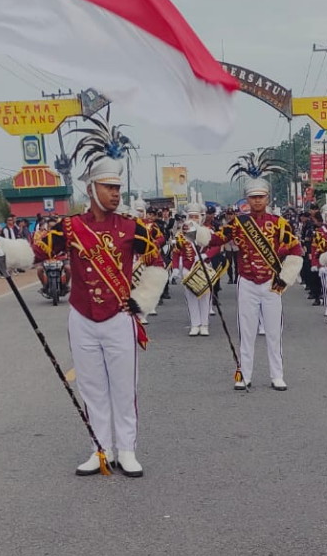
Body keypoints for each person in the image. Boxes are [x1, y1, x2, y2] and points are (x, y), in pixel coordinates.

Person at [33, 147, 166, 476]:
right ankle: (100, 449)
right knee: (92, 387)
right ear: (91, 189)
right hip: (82, 316)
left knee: (123, 387)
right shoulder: (70, 227)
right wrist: (4, 253)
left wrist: (143, 299)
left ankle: (127, 449)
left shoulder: (132, 227)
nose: (115, 193)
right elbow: (37, 251)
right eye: (108, 187)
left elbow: (156, 262)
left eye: (117, 187)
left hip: (119, 316)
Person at [219, 159, 303, 391]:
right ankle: (244, 374)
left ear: (267, 198)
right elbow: (217, 239)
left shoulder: (279, 224)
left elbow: (296, 250)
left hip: (270, 284)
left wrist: (285, 277)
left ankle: (277, 375)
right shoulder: (238, 223)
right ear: (247, 199)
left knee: (274, 332)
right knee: (246, 332)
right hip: (246, 281)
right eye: (253, 196)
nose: (257, 200)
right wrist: (197, 235)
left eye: (261, 196)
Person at [171, 204, 222, 335]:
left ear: (201, 217)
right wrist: (176, 269)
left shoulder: (208, 231)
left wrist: (206, 255)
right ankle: (195, 324)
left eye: (196, 216)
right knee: (191, 298)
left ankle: (204, 325)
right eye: (191, 216)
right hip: (188, 269)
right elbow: (176, 252)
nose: (193, 219)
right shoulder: (181, 233)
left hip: (204, 267)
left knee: (205, 297)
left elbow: (217, 246)